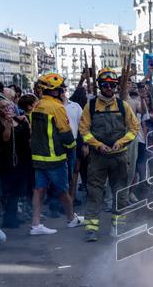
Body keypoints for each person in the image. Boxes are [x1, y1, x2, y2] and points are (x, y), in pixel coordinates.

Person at [80, 70, 140, 241]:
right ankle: (91, 230)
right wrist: (98, 145)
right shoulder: (90, 106)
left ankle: (118, 228)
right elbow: (84, 130)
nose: (109, 88)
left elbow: (134, 128)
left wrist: (121, 142)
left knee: (120, 194)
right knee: (94, 193)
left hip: (119, 158)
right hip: (98, 158)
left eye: (112, 85)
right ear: (100, 85)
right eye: (105, 85)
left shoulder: (123, 106)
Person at [29, 73, 83, 235]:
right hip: (55, 157)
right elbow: (66, 133)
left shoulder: (37, 105)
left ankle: (36, 224)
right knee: (63, 190)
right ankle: (71, 219)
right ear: (53, 91)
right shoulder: (57, 107)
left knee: (39, 190)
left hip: (38, 157)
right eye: (61, 89)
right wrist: (73, 148)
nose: (63, 92)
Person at [0, 93, 32, 229]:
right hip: (8, 162)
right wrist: (7, 125)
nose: (7, 108)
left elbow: (28, 136)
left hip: (23, 159)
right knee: (11, 190)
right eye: (3, 107)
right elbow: (4, 140)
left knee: (20, 189)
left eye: (8, 105)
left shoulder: (20, 120)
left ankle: (15, 215)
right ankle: (9, 218)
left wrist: (26, 122)